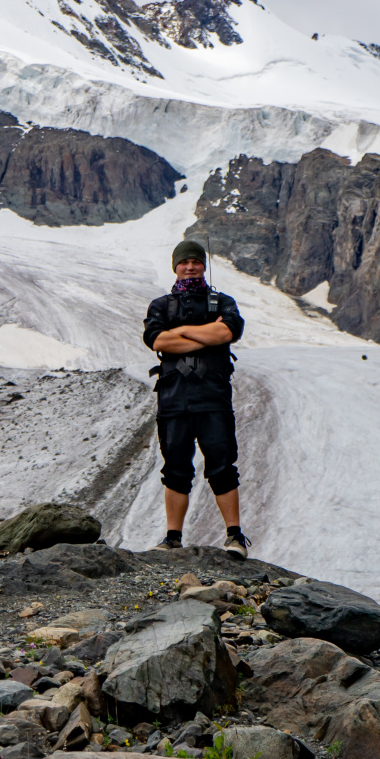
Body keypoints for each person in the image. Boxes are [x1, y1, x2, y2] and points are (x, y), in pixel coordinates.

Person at [143, 239, 249, 557]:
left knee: (222, 465)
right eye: (184, 261)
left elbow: (227, 333)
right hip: (175, 399)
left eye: (196, 261)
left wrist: (180, 334)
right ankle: (173, 538)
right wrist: (203, 334)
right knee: (175, 467)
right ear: (175, 265)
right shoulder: (160, 306)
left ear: (203, 264)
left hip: (212, 397)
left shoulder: (223, 303)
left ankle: (234, 537)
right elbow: (157, 339)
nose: (190, 266)